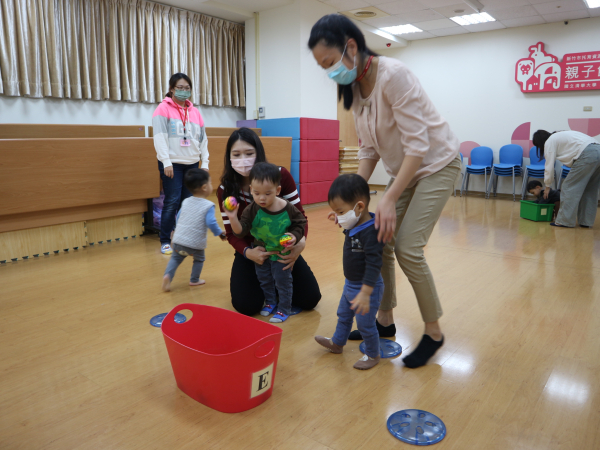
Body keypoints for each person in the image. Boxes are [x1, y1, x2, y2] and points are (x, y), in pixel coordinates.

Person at [309, 14, 461, 368]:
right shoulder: (355, 90)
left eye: (330, 62)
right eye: (323, 67)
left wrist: (389, 197)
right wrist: (351, 203)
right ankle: (385, 320)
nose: (329, 72)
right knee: (380, 236)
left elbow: (418, 146)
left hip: (437, 164)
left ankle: (434, 333)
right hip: (406, 169)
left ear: (350, 47)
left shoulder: (394, 75)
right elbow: (368, 151)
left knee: (407, 247)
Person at [216, 128, 321, 316]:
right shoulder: (226, 190)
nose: (243, 160)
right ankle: (269, 289)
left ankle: (277, 288)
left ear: (258, 153)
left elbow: (300, 218)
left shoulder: (280, 175)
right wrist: (248, 253)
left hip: (281, 248)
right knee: (246, 306)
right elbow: (232, 234)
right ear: (229, 157)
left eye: (249, 153)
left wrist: (299, 243)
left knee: (310, 299)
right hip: (251, 249)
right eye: (236, 154)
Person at [315, 174, 386, 370]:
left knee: (365, 325)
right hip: (350, 284)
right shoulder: (355, 223)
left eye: (340, 212)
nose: (339, 216)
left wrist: (366, 292)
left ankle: (373, 354)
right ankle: (337, 343)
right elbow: (351, 229)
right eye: (336, 212)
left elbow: (374, 264)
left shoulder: (372, 232)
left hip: (367, 289)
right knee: (343, 315)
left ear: (359, 207)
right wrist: (340, 219)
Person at [224, 163, 307, 323]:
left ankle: (284, 309)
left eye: (268, 193)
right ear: (251, 189)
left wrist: (294, 236)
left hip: (281, 254)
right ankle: (270, 302)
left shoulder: (287, 208)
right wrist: (233, 217)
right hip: (261, 252)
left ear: (277, 190)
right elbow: (240, 232)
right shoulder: (251, 210)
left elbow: (301, 223)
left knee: (283, 282)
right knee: (265, 279)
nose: (262, 198)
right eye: (257, 193)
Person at [153, 73, 209, 254]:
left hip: (192, 163)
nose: (184, 91)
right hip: (173, 164)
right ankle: (165, 240)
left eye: (187, 88)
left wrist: (205, 162)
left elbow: (203, 139)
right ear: (171, 89)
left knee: (187, 203)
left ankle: (182, 237)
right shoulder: (163, 109)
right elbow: (159, 137)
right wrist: (166, 162)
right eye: (180, 88)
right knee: (172, 201)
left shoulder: (195, 112)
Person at [162, 169, 225, 291]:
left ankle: (168, 276)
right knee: (199, 259)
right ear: (204, 187)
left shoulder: (186, 201)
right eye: (210, 182)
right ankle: (194, 280)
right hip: (195, 244)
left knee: (175, 258)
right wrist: (219, 233)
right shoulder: (208, 205)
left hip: (179, 240)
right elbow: (211, 222)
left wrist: (175, 233)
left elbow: (179, 217)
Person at [532, 130, 600, 228]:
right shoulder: (560, 135)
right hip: (597, 149)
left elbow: (549, 166)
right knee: (590, 189)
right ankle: (586, 222)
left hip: (587, 154)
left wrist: (547, 186)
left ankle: (564, 221)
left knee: (568, 187)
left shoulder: (550, 141)